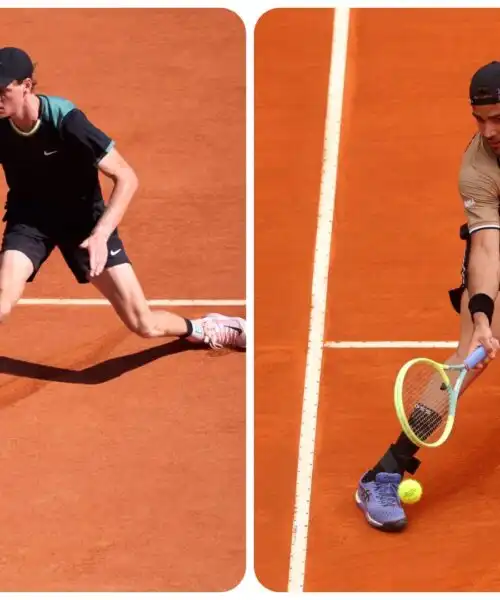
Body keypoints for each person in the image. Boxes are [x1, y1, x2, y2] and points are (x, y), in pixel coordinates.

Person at [0, 47, 245, 351]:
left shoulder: (66, 120)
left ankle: (203, 328)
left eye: (3, 89)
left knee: (143, 324)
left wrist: (101, 234)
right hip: (31, 219)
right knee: (2, 302)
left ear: (26, 85)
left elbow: (126, 176)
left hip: (85, 224)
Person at [355, 60, 500, 532]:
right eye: (480, 119)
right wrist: (482, 315)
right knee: (467, 361)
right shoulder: (478, 166)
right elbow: (486, 247)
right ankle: (384, 473)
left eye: (498, 118)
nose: (488, 130)